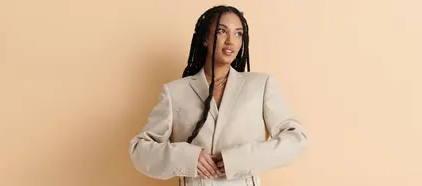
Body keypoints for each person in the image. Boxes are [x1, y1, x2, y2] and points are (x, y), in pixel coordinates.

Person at [129, 5, 308, 186]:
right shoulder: (175, 92)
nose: (231, 40)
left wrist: (241, 158)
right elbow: (139, 152)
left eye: (238, 34)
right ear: (206, 38)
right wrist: (187, 157)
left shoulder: (261, 86)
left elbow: (297, 139)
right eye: (222, 31)